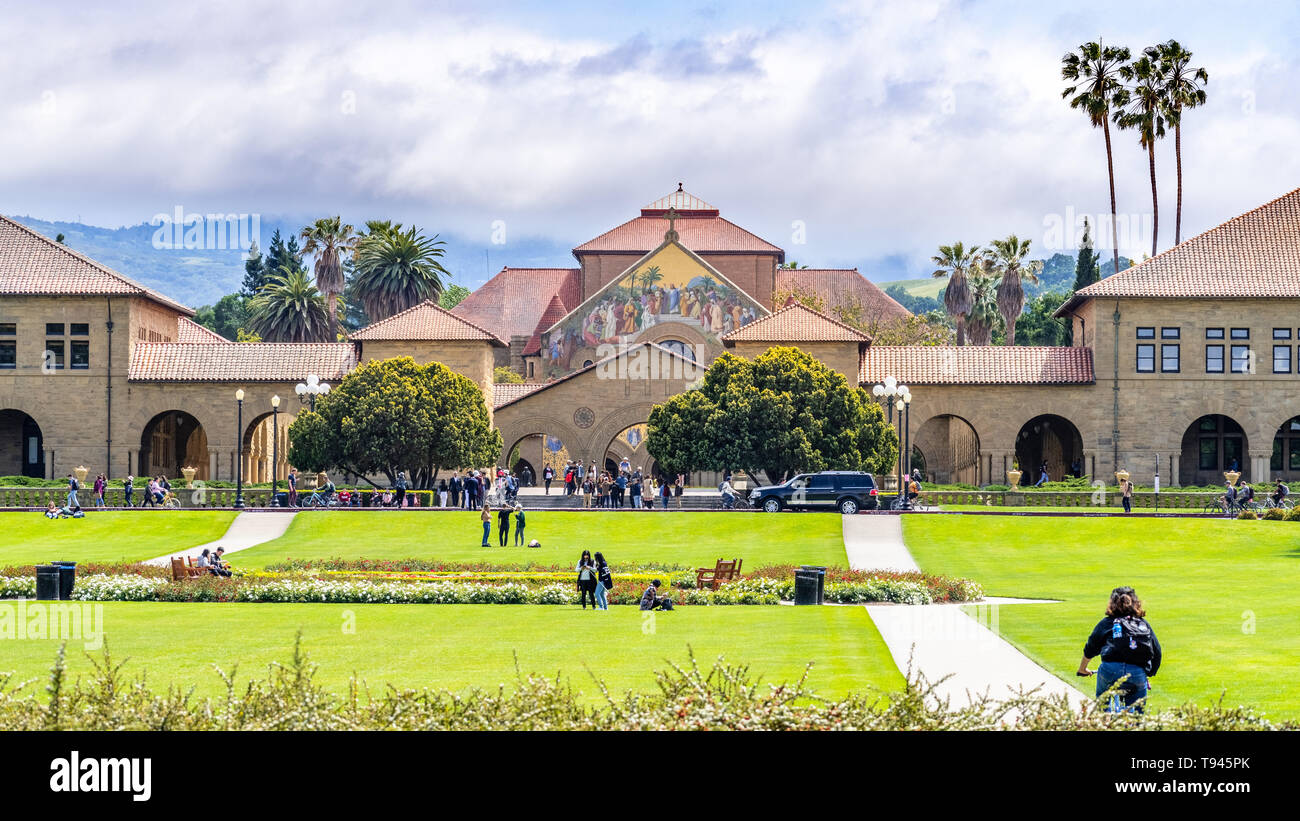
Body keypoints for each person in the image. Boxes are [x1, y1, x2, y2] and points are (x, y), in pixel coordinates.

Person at [1077, 586, 1162, 714]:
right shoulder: (1142, 624)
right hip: (1137, 673)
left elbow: (1091, 647)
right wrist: (1148, 673)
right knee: (1138, 712)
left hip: (1109, 670)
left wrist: (1082, 669)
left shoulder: (1107, 623)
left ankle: (1103, 720)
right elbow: (1157, 651)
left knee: (1102, 701)